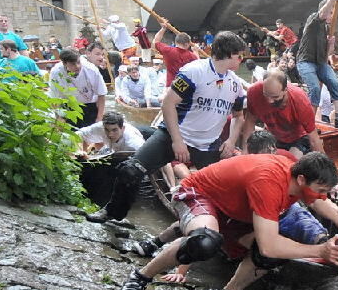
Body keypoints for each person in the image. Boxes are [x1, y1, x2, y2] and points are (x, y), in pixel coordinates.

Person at [116, 152, 338, 290]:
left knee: (270, 255)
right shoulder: (269, 182)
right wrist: (320, 250)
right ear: (301, 179)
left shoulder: (298, 173)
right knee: (204, 241)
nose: (321, 195)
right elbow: (270, 244)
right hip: (199, 194)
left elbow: (317, 199)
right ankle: (139, 278)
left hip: (235, 211)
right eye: (320, 189)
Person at [87, 31, 248, 223]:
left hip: (207, 144)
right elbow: (168, 104)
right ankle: (113, 212)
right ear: (229, 54)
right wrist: (178, 141)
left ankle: (223, 223)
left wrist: (231, 141)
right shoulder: (194, 72)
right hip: (173, 135)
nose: (242, 60)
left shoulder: (235, 84)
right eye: (240, 56)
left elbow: (238, 116)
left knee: (223, 188)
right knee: (130, 170)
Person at [242, 70, 321, 158]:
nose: (270, 101)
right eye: (266, 95)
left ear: (285, 90)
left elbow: (314, 139)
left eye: (275, 97)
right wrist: (245, 151)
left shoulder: (300, 100)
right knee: (263, 159)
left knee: (290, 159)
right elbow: (250, 121)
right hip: (273, 135)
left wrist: (324, 163)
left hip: (299, 137)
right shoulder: (254, 92)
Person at [296, 0, 338, 110]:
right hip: (306, 61)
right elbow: (323, 13)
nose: (332, 16)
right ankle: (311, 118)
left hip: (320, 63)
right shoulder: (313, 19)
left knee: (335, 84)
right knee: (315, 88)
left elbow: (328, 53)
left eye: (333, 13)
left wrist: (331, 44)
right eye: (331, 13)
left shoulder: (327, 29)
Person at [48, 49, 107, 129]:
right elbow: (55, 97)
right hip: (68, 107)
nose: (77, 66)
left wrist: (100, 117)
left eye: (78, 62)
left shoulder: (91, 69)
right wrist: (58, 117)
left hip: (90, 105)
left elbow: (101, 94)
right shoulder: (56, 72)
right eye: (73, 64)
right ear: (65, 63)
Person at [76, 111, 144, 155]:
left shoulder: (133, 142)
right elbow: (78, 134)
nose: (110, 134)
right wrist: (80, 152)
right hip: (110, 149)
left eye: (114, 130)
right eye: (107, 130)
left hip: (140, 137)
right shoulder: (100, 127)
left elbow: (145, 156)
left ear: (122, 129)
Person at [153, 21, 198, 86]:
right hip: (185, 87)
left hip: (171, 85)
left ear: (176, 42)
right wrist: (196, 51)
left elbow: (156, 41)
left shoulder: (168, 50)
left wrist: (163, 28)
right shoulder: (192, 56)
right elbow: (199, 66)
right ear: (187, 44)